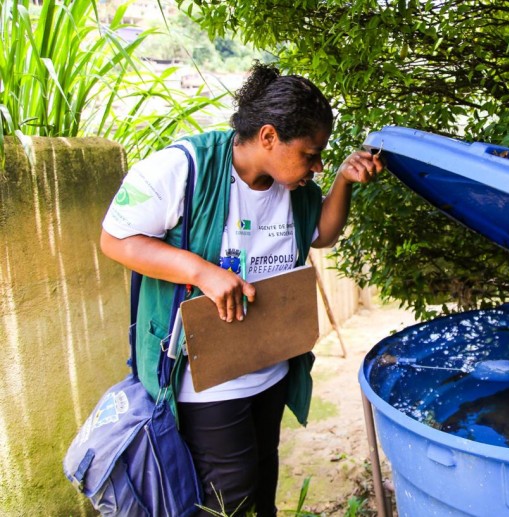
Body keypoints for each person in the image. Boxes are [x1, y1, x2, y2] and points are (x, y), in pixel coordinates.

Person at [99, 62, 384, 516]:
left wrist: (343, 182)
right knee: (224, 501)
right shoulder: (184, 168)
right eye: (310, 154)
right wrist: (201, 272)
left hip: (267, 370)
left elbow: (322, 234)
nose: (317, 165)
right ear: (269, 137)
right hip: (206, 384)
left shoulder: (294, 189)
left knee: (261, 486)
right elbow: (115, 238)